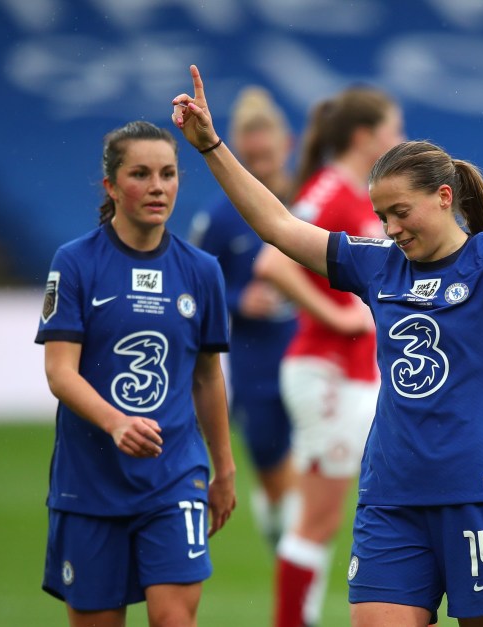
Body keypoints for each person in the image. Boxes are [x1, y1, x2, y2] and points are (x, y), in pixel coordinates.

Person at [172, 43, 483, 626]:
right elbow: (278, 226)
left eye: (400, 213)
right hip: (391, 500)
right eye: (382, 215)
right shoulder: (377, 264)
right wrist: (212, 146)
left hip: (481, 494)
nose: (390, 228)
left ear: (444, 198)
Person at [35, 120, 237, 627]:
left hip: (175, 477)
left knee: (174, 620)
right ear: (111, 186)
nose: (157, 187)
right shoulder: (75, 263)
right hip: (89, 483)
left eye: (168, 174)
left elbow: (208, 376)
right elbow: (61, 373)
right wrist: (116, 422)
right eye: (140, 174)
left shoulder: (201, 271)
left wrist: (223, 467)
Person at [252, 84, 405, 627]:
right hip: (327, 369)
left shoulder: (359, 193)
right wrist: (337, 315)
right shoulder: (329, 190)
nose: (400, 140)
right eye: (394, 130)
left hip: (355, 374)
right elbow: (273, 264)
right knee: (316, 518)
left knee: (328, 514)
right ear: (364, 137)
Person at [187, 86, 300, 552]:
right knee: (272, 464)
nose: (259, 163)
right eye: (248, 156)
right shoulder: (219, 219)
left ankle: (299, 548)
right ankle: (285, 534)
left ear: (286, 145)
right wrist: (236, 298)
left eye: (265, 153)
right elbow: (193, 284)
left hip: (314, 356)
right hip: (256, 367)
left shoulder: (315, 200)